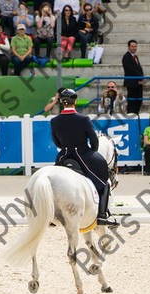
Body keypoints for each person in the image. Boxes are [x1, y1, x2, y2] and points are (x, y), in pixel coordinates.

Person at [50, 89, 116, 226]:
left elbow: (57, 143)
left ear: (62, 103)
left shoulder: (54, 121)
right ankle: (102, 215)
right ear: (75, 102)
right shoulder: (83, 119)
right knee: (104, 180)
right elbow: (94, 141)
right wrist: (92, 152)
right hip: (83, 153)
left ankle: (51, 214)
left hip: (63, 155)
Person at [122, 39, 144, 114]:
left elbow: (139, 68)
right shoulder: (126, 57)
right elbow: (130, 69)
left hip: (138, 83)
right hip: (131, 83)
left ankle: (135, 114)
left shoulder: (135, 57)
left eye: (135, 46)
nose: (134, 48)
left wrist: (142, 78)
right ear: (128, 47)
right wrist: (140, 77)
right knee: (132, 102)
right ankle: (131, 116)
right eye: (132, 46)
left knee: (139, 101)